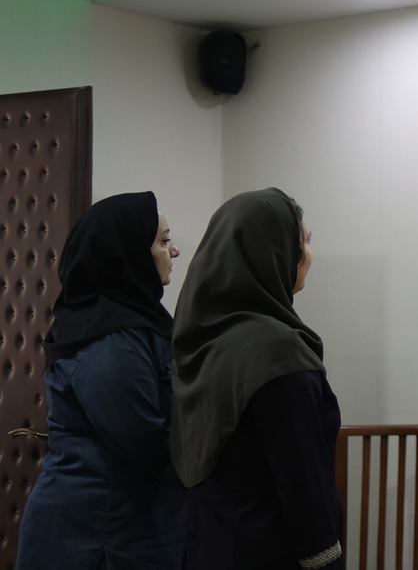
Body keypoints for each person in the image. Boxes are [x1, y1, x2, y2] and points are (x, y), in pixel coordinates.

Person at [170, 187, 344, 570]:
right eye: (303, 241)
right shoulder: (278, 353)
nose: (309, 254)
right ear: (274, 251)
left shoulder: (201, 343)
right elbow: (304, 492)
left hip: (207, 550)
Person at [16, 192, 184, 570]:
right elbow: (143, 441)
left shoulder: (136, 320)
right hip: (98, 535)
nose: (174, 251)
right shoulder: (108, 335)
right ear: (127, 253)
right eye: (163, 241)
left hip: (128, 527)